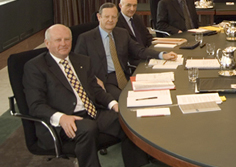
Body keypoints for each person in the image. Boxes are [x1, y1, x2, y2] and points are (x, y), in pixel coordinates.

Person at [23, 24, 150, 167]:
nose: (64, 44)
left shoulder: (81, 60)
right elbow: (36, 105)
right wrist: (61, 117)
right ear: (47, 43)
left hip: (91, 111)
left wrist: (114, 104)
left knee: (126, 121)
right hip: (62, 120)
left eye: (67, 39)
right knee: (88, 128)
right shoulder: (35, 67)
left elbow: (95, 89)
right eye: (58, 40)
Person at [75, 3, 177, 100]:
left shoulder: (122, 33)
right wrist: (94, 79)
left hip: (124, 75)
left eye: (114, 17)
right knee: (126, 100)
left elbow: (139, 50)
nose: (110, 20)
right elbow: (78, 64)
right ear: (99, 17)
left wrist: (161, 55)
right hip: (105, 80)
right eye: (106, 17)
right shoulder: (85, 38)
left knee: (151, 93)